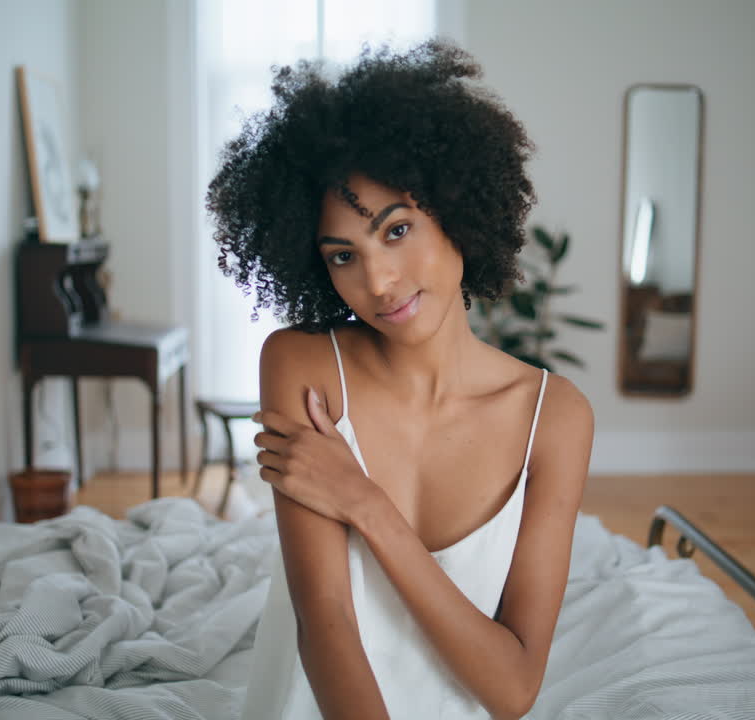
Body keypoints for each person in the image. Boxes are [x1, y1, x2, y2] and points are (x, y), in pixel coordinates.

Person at [206, 40, 594, 720]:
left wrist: (368, 507)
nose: (377, 283)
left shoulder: (554, 417)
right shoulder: (301, 365)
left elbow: (512, 689)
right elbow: (324, 620)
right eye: (342, 255)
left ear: (458, 211)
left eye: (397, 229)